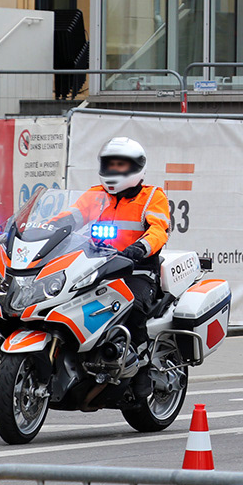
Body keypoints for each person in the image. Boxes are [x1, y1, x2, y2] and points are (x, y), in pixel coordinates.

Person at [67, 137, 171, 356]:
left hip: (137, 270)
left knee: (133, 306)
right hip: (96, 269)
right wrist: (45, 228)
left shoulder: (152, 196)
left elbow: (158, 230)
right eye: (110, 164)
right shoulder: (96, 195)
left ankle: (140, 360)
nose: (114, 169)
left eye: (120, 164)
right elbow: (70, 217)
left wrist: (140, 248)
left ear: (135, 166)